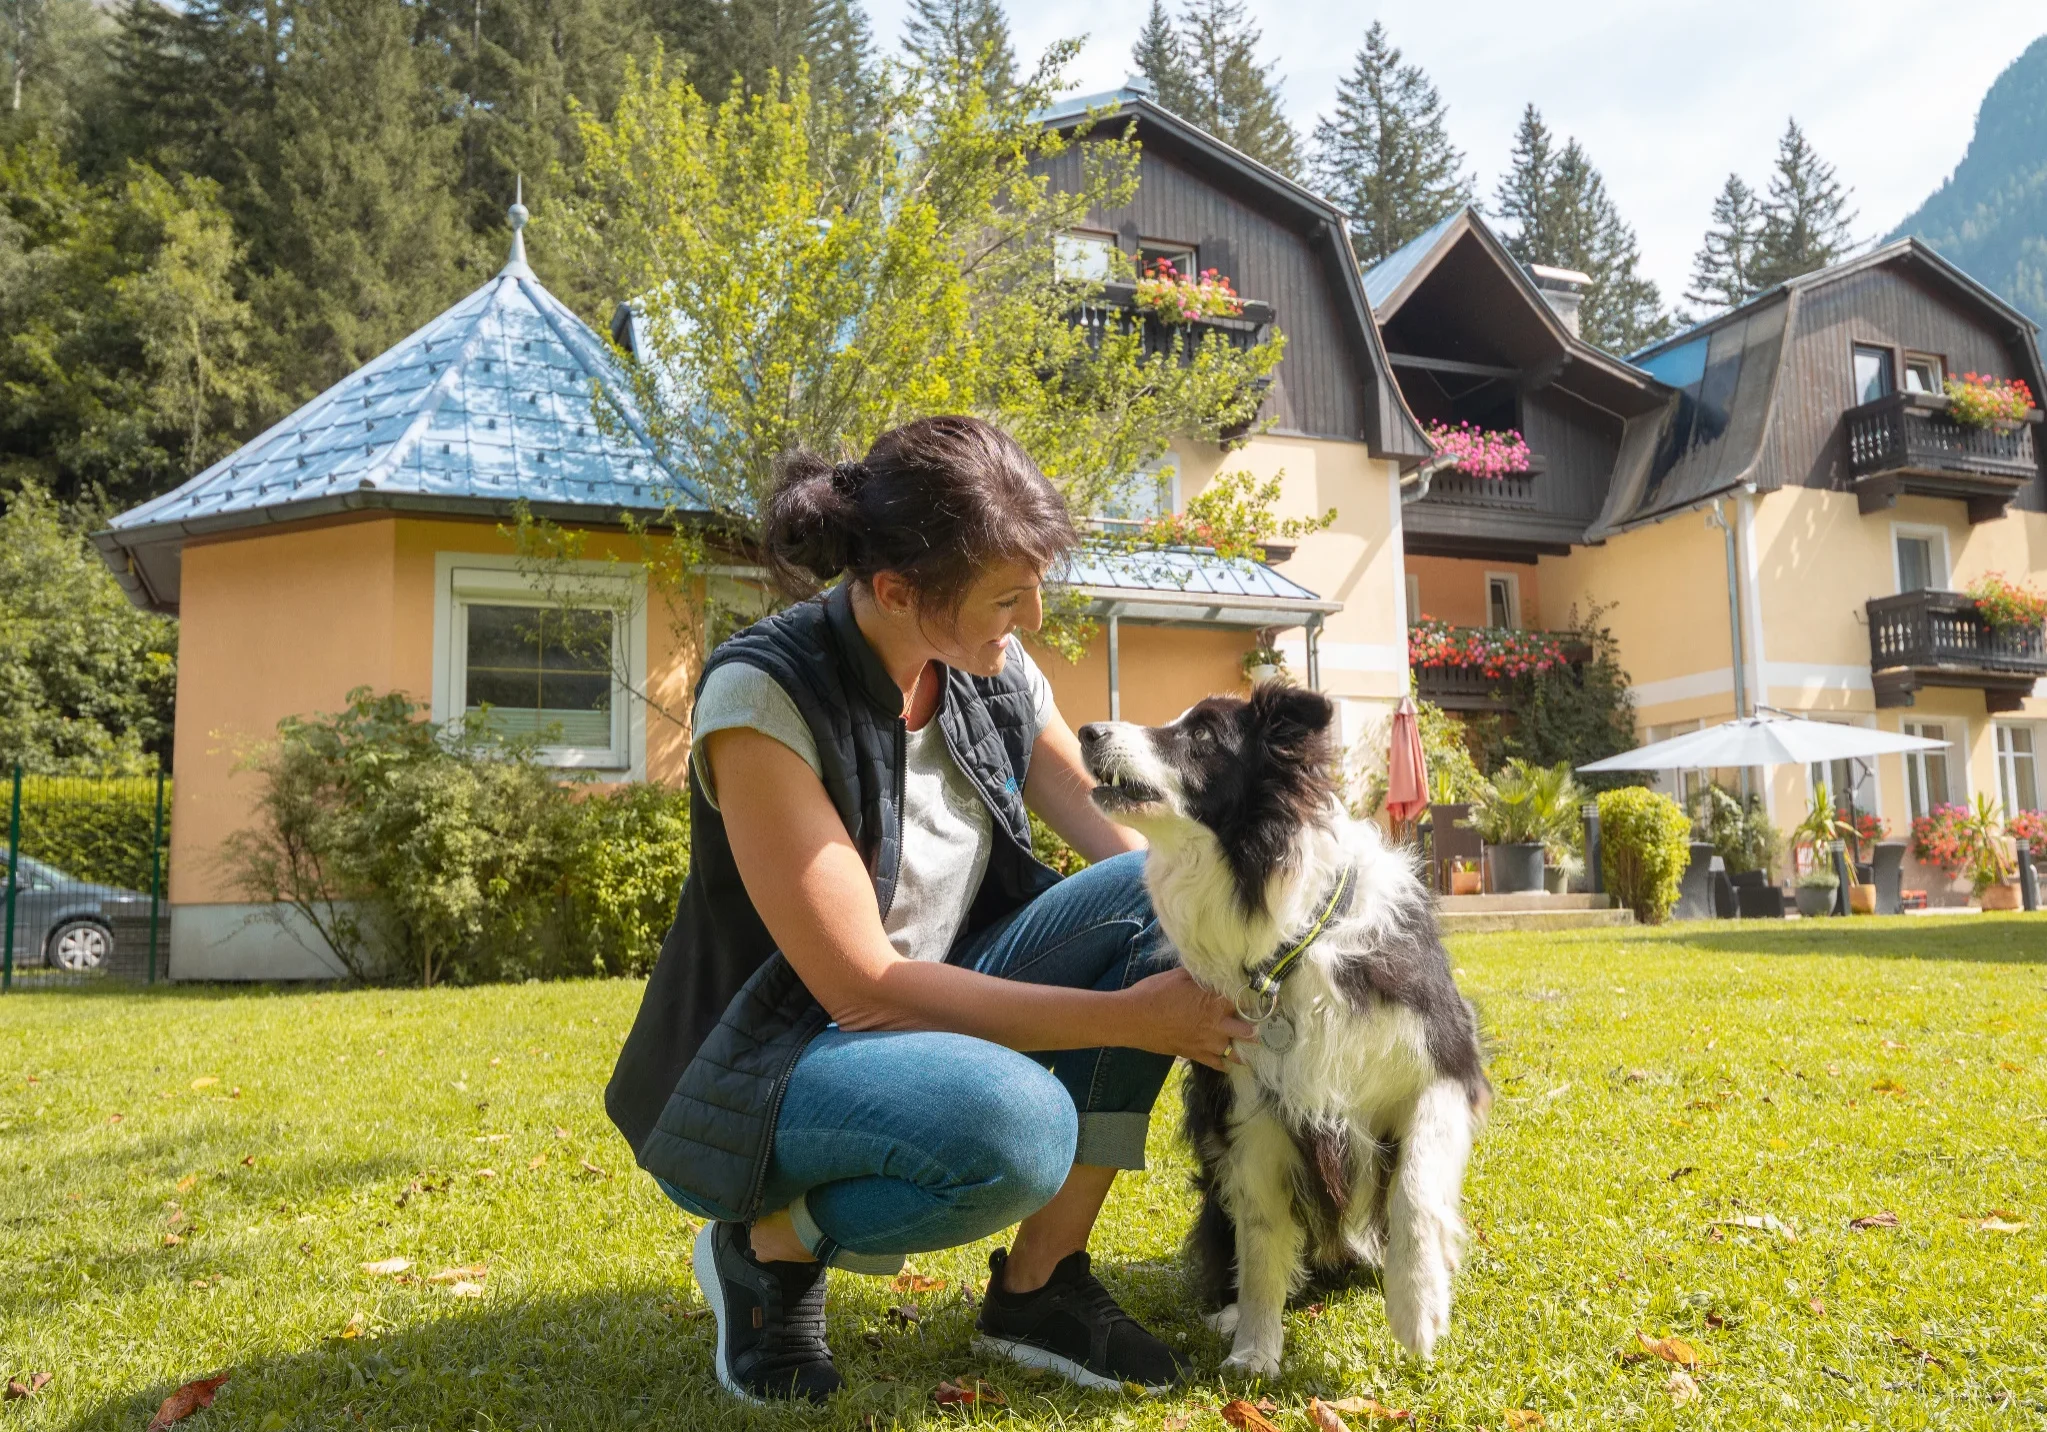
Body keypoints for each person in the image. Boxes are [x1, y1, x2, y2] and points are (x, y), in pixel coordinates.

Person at [606, 416, 1252, 1403]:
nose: (1030, 615)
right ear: (898, 593)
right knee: (1017, 1132)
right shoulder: (762, 697)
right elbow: (862, 988)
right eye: (1006, 595)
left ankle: (1039, 1287)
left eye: (1033, 583)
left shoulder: (986, 666)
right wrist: (1137, 1018)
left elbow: (1101, 824)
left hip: (944, 1001)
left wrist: (1219, 944)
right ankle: (768, 1247)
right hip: (779, 1052)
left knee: (1159, 892)